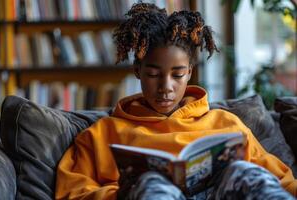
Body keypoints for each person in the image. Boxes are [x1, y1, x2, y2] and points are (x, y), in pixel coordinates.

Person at [55, 3, 297, 200]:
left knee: (244, 172)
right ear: (137, 70)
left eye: (178, 75)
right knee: (150, 184)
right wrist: (123, 194)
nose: (166, 87)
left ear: (190, 73)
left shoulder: (226, 124)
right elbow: (72, 193)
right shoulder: (101, 135)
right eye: (153, 75)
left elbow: (281, 180)